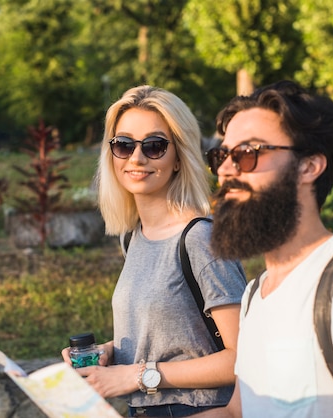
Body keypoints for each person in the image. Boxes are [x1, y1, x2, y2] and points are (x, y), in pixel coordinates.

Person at [189, 80, 333, 417]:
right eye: (222, 155)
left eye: (248, 154)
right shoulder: (255, 295)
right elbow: (237, 411)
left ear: (309, 166)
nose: (225, 169)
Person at [61, 85, 247, 417]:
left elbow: (243, 357)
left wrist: (136, 375)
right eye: (123, 145)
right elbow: (171, 339)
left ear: (179, 157)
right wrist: (108, 353)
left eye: (155, 146)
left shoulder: (202, 239)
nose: (136, 157)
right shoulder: (133, 237)